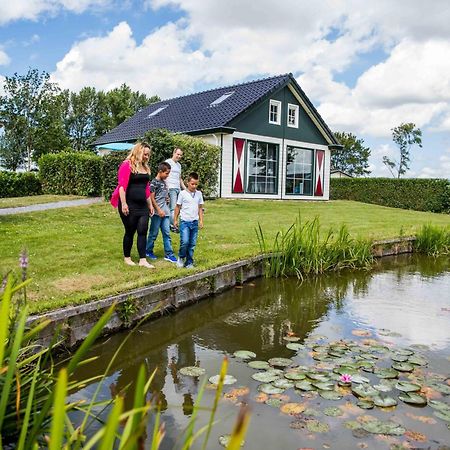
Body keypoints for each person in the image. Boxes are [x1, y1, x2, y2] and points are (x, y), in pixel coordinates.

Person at [110, 142, 155, 268]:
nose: (147, 157)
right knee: (130, 231)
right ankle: (127, 257)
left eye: (148, 155)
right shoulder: (127, 165)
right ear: (138, 152)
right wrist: (124, 204)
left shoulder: (146, 168)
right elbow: (122, 186)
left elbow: (146, 188)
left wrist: (150, 205)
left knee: (143, 230)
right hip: (129, 204)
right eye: (145, 154)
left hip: (143, 206)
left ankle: (142, 259)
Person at [146, 162, 178, 263]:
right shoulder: (154, 183)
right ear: (160, 172)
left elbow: (162, 196)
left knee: (167, 233)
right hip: (156, 213)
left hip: (165, 212)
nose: (168, 175)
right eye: (166, 173)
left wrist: (167, 198)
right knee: (153, 233)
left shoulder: (164, 182)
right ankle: (148, 250)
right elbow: (151, 197)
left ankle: (169, 254)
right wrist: (158, 210)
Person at [173, 172, 204, 269]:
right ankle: (181, 257)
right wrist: (175, 220)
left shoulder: (199, 194)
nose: (194, 186)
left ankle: (189, 262)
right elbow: (177, 207)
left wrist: (201, 221)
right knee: (185, 241)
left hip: (194, 222)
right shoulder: (182, 194)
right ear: (188, 183)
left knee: (192, 244)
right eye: (192, 184)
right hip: (185, 222)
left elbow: (200, 208)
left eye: (196, 184)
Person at [165, 147, 186, 232]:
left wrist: (185, 189)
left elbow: (179, 178)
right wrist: (166, 189)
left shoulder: (179, 165)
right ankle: (173, 226)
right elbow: (164, 176)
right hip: (171, 188)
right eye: (178, 154)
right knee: (173, 208)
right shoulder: (168, 162)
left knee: (178, 208)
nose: (179, 156)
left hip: (178, 188)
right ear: (174, 153)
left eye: (180, 155)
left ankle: (174, 224)